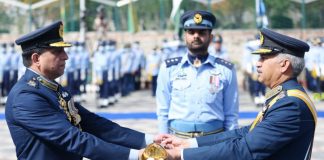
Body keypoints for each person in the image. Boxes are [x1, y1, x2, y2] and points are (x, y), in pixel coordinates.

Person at [5, 21, 158, 160]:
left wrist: (151, 140)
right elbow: (74, 139)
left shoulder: (52, 89)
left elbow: (95, 125)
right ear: (36, 59)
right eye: (57, 52)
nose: (66, 57)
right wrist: (138, 156)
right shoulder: (26, 97)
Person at [160, 28, 317, 160]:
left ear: (284, 65)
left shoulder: (290, 105)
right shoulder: (284, 96)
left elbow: (244, 149)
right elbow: (244, 133)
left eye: (264, 57)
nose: (258, 63)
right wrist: (189, 143)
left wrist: (181, 155)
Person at [156, 10, 239, 138]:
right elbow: (162, 110)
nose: (196, 36)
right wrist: (163, 141)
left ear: (210, 37)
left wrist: (230, 144)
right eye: (191, 32)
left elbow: (231, 114)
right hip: (177, 139)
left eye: (202, 32)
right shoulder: (169, 68)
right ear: (185, 36)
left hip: (213, 140)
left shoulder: (225, 70)